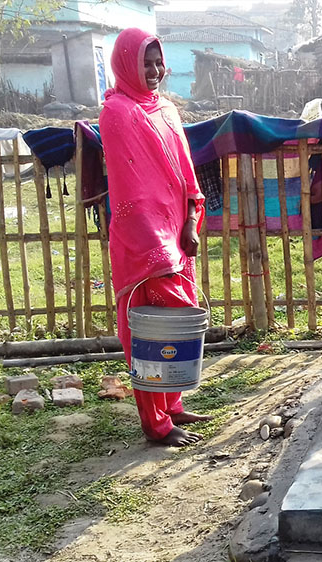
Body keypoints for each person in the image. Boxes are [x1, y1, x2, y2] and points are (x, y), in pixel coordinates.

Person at [100, 28, 213, 447]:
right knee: (150, 331)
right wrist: (155, 244)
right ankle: (156, 423)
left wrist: (190, 218)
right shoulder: (118, 113)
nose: (154, 71)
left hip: (177, 235)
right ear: (126, 64)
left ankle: (174, 402)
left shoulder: (166, 109)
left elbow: (185, 170)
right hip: (142, 241)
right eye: (144, 63)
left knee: (178, 325)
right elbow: (130, 187)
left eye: (158, 62)